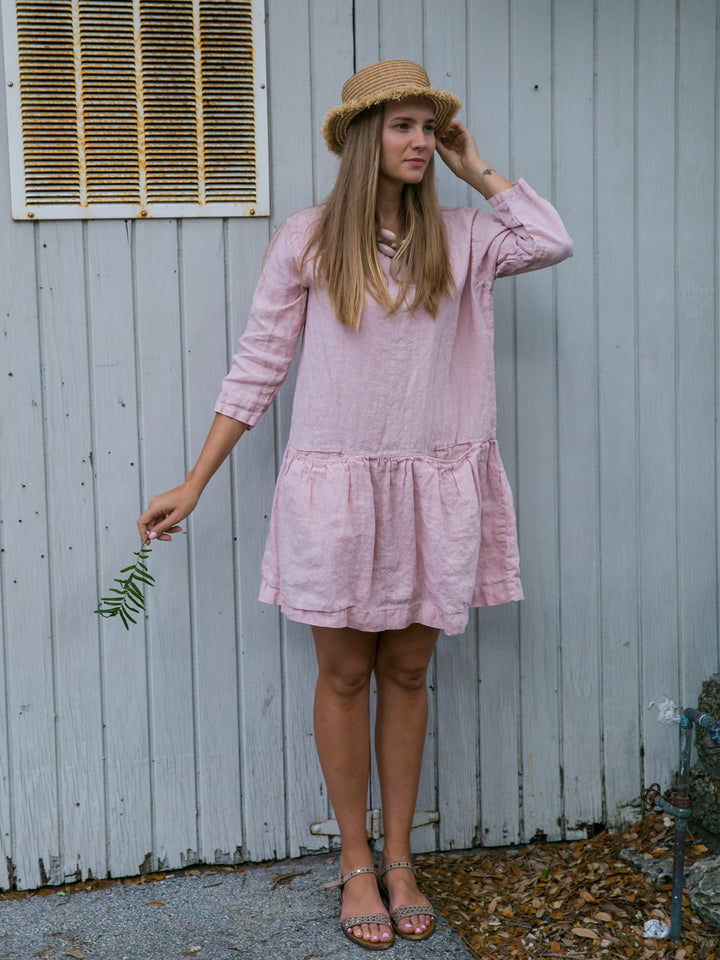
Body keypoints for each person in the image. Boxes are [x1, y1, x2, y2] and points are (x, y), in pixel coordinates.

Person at [137, 60, 573, 951]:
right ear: (364, 138)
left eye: (429, 126)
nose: (419, 141)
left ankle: (403, 859)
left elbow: (549, 239)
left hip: (433, 487)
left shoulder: (463, 235)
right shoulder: (307, 238)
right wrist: (196, 479)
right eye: (405, 127)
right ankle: (354, 859)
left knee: (408, 674)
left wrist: (474, 165)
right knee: (343, 676)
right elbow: (259, 364)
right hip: (336, 490)